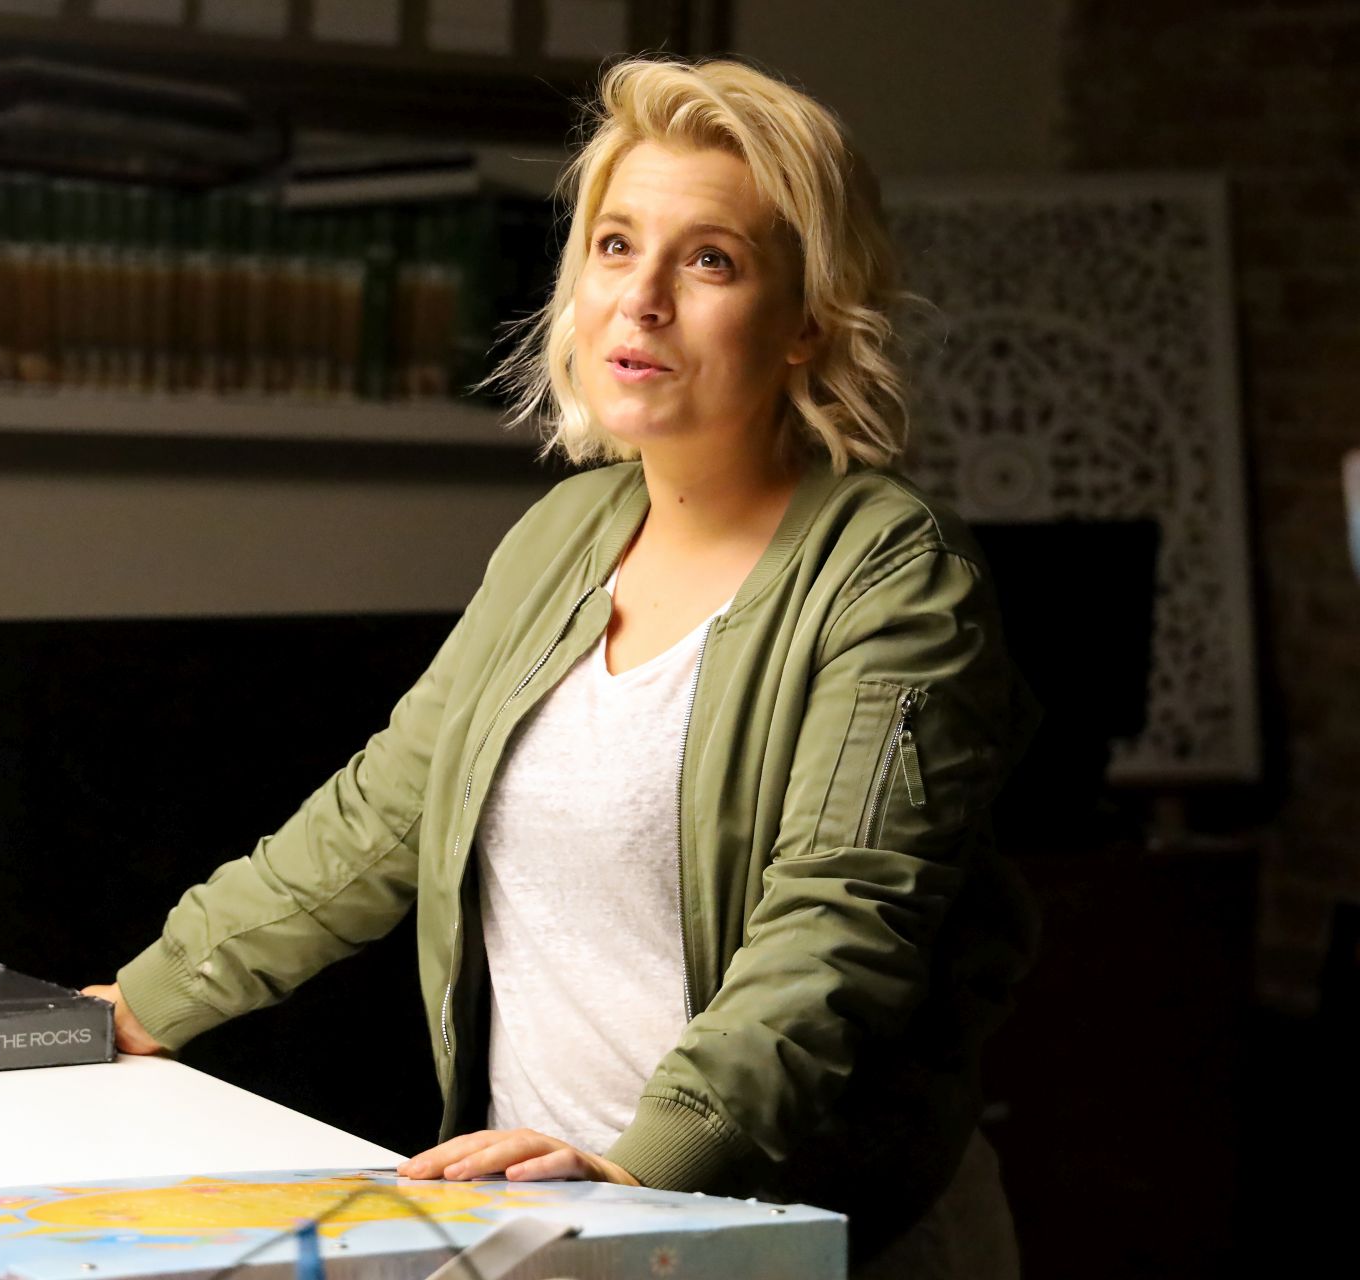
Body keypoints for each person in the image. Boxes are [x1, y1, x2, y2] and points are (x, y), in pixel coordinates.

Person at [84, 55, 1038, 1278]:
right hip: (553, 1226)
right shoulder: (562, 534)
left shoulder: (893, 573)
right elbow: (382, 815)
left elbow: (838, 930)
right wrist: (139, 1001)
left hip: (798, 1232)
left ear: (808, 318)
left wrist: (643, 1173)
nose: (641, 299)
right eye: (615, 245)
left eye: (710, 260)